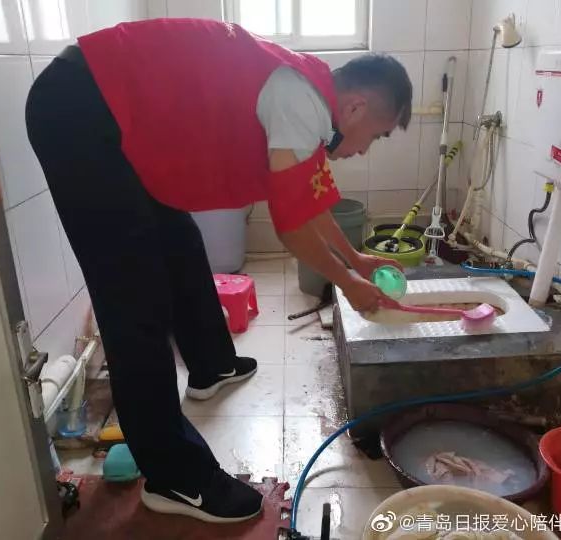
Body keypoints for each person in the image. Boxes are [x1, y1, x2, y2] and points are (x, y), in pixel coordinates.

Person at [25, 18, 412, 525]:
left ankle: (210, 366)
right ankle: (174, 477)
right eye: (376, 136)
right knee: (134, 298)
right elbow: (292, 226)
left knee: (179, 242)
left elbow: (310, 201)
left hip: (108, 113)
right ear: (356, 107)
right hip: (79, 110)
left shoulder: (311, 96)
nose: (363, 149)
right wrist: (349, 285)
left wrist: (356, 261)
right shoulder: (301, 102)